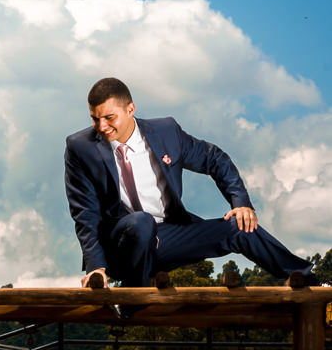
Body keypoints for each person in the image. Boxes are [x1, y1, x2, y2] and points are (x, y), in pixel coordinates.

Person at [64, 77, 316, 290]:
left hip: (169, 236)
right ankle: (133, 300)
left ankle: (313, 282)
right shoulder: (80, 148)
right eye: (95, 119)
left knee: (239, 227)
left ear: (131, 109)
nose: (102, 127)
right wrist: (96, 267)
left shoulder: (166, 132)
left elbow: (214, 158)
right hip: (121, 246)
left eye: (109, 117)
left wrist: (240, 203)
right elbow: (85, 214)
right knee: (142, 221)